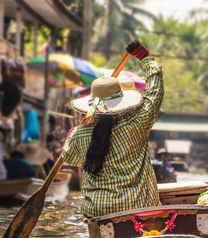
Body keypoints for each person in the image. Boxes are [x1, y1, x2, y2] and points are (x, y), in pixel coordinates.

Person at [61, 39, 164, 218]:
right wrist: (145, 58)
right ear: (121, 100)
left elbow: (69, 158)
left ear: (92, 103)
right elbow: (155, 90)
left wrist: (70, 137)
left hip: (96, 210)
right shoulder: (138, 123)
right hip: (137, 206)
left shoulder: (79, 135)